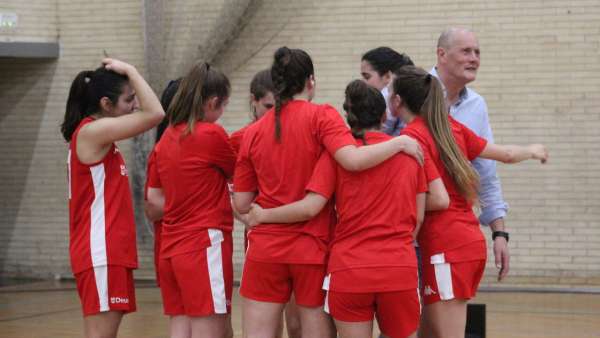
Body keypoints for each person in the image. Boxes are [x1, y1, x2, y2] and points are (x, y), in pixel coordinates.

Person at [233, 46, 423, 338]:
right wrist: (399, 143)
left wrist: (259, 217)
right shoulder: (322, 116)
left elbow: (242, 202)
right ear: (311, 81)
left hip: (266, 248)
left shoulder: (254, 132)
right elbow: (352, 160)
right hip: (312, 248)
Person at [389, 65, 548, 338]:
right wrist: (532, 150)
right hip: (463, 242)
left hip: (446, 248)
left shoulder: (410, 139)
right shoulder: (451, 127)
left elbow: (435, 200)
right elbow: (506, 154)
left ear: (397, 101)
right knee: (428, 332)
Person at [62, 58, 165, 338]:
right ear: (106, 105)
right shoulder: (92, 132)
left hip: (109, 252)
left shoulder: (99, 137)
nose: (135, 105)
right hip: (100, 251)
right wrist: (131, 70)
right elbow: (155, 113)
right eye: (129, 99)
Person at [145, 62, 235, 338]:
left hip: (171, 247)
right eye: (223, 106)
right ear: (213, 102)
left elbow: (154, 199)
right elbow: (239, 173)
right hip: (202, 243)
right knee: (209, 329)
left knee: (181, 326)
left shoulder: (165, 140)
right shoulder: (211, 134)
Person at [432, 27, 511, 281]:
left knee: (441, 317)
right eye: (466, 51)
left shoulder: (477, 105)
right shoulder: (410, 89)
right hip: (407, 234)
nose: (474, 58)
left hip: (451, 236)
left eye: (477, 52)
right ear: (442, 54)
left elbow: (486, 173)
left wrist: (499, 233)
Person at [229, 69, 302, 338]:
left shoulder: (298, 131)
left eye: (278, 106)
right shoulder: (240, 139)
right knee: (267, 325)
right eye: (268, 106)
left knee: (298, 323)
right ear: (254, 101)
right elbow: (227, 194)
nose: (274, 113)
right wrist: (246, 217)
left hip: (300, 236)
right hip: (262, 238)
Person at [360, 46, 414, 136]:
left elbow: (374, 135)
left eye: (367, 77)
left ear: (388, 76)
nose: (363, 82)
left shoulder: (385, 95)